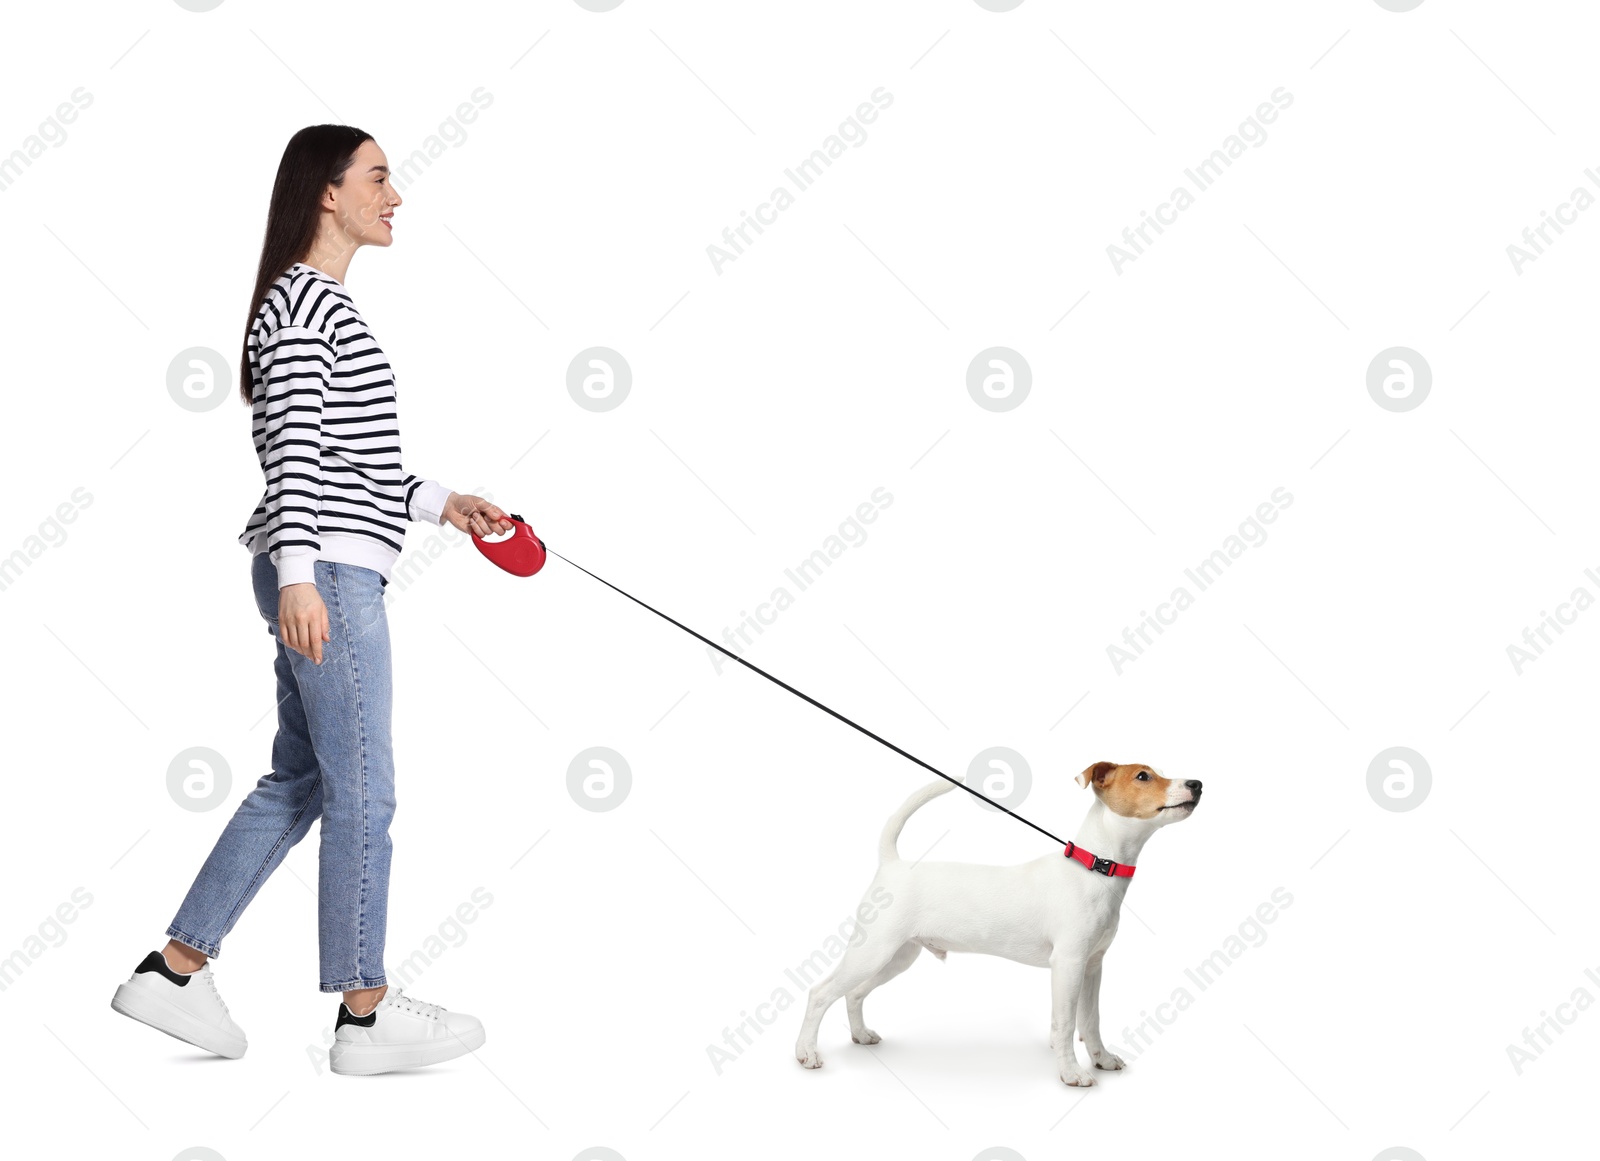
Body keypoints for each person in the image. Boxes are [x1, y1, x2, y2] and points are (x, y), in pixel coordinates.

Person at [110, 124, 512, 1076]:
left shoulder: (316, 307)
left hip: (324, 561)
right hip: (323, 570)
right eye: (379, 177)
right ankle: (366, 1014)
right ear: (327, 194)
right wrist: (299, 575)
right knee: (365, 787)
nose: (396, 196)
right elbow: (293, 457)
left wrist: (443, 503)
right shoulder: (304, 311)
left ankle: (175, 971)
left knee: (304, 782)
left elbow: (352, 459)